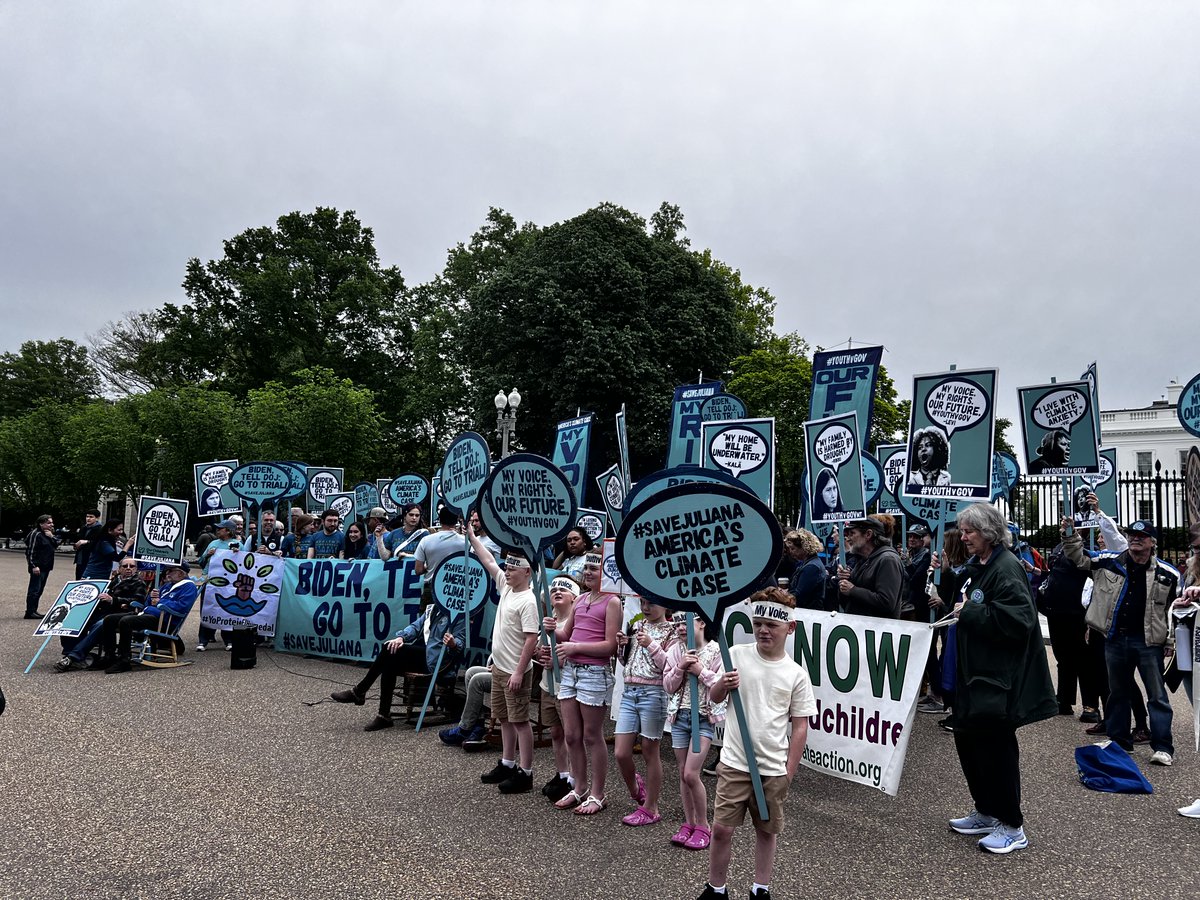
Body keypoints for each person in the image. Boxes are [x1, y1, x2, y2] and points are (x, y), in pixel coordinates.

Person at [946, 503, 1056, 855]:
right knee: (969, 742)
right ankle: (986, 809)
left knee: (995, 751)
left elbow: (1020, 621)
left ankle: (1011, 825)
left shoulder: (1006, 567)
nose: (964, 538)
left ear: (989, 531)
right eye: (963, 531)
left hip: (996, 679)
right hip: (974, 676)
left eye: (970, 532)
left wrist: (971, 611)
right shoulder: (982, 565)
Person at [697, 587, 815, 900]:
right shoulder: (736, 655)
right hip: (735, 762)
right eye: (758, 622)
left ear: (790, 628)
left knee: (767, 830)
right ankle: (716, 888)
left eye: (771, 625)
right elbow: (715, 697)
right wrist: (723, 683)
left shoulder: (795, 674)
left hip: (772, 767)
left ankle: (760, 888)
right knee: (721, 829)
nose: (763, 629)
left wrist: (789, 771)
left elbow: (800, 725)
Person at [1063, 517, 1180, 765]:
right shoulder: (1108, 562)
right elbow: (1078, 556)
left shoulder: (1168, 574)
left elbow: (1174, 611)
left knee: (1156, 695)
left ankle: (1163, 747)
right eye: (1131, 535)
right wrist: (1070, 534)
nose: (1135, 539)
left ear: (1152, 542)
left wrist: (1170, 642)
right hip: (1115, 639)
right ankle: (1119, 742)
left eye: (1141, 536)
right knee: (1117, 692)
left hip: (1149, 643)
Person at [545, 549, 622, 815]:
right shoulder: (579, 600)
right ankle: (579, 787)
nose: (589, 572)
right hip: (572, 672)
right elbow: (565, 634)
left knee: (592, 735)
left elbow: (610, 646)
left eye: (595, 568)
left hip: (594, 673)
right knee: (571, 734)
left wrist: (575, 647)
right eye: (587, 568)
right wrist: (552, 629)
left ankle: (598, 793)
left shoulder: (612, 602)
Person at [468, 522, 540, 795]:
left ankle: (527, 771)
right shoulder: (507, 587)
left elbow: (531, 639)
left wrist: (520, 672)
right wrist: (473, 537)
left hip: (515, 670)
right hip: (499, 666)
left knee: (520, 720)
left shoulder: (528, 601)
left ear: (527, 572)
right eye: (507, 567)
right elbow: (487, 561)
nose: (507, 571)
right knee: (504, 718)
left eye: (512, 568)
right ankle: (508, 763)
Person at [329, 603, 465, 731]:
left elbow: (461, 642)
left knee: (389, 652)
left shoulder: (460, 615)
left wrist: (453, 644)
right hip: (423, 657)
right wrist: (401, 638)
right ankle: (383, 715)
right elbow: (415, 627)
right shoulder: (432, 609)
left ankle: (360, 692)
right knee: (390, 651)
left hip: (438, 664)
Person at [664, 612, 725, 851]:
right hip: (679, 717)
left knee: (691, 773)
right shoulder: (676, 650)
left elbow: (720, 685)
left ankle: (703, 825)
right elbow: (668, 685)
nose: (680, 627)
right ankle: (688, 823)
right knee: (682, 772)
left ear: (701, 623)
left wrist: (700, 671)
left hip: (703, 718)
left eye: (685, 622)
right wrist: (680, 668)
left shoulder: (716, 651)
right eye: (677, 622)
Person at [614, 596, 675, 827]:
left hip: (653, 693)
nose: (646, 608)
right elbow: (625, 661)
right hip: (630, 692)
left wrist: (650, 643)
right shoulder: (637, 626)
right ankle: (636, 790)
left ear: (665, 605)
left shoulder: (670, 631)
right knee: (621, 752)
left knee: (650, 750)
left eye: (652, 603)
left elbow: (668, 666)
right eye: (643, 604)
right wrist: (622, 646)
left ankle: (651, 806)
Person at [531, 574, 584, 802]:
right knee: (555, 731)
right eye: (554, 590)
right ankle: (562, 772)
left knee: (571, 733)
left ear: (574, 597)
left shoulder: (575, 622)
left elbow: (577, 653)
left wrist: (558, 659)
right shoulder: (549, 620)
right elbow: (538, 647)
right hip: (547, 683)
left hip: (566, 687)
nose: (557, 593)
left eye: (564, 590)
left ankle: (574, 776)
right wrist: (539, 652)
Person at [103, 561, 199, 673]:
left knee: (126, 621)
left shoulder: (188, 587)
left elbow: (182, 607)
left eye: (171, 571)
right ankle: (109, 656)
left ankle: (124, 660)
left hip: (164, 621)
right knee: (110, 619)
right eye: (167, 571)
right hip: (148, 614)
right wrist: (151, 597)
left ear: (181, 573)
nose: (167, 573)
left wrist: (160, 602)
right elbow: (148, 604)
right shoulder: (167, 585)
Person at [55, 558, 148, 670]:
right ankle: (72, 653)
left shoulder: (138, 582)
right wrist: (84, 585)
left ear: (136, 569)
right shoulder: (113, 580)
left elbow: (138, 601)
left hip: (120, 614)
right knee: (73, 619)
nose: (128, 568)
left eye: (132, 566)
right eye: (125, 566)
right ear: (119, 569)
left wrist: (114, 600)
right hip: (101, 610)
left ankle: (73, 657)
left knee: (101, 624)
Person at [836, 516, 903, 618]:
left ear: (868, 534)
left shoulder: (888, 559)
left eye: (852, 533)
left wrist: (853, 590)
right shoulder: (864, 560)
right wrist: (845, 580)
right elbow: (846, 601)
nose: (848, 538)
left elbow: (886, 602)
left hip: (878, 630)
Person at [196, 519, 241, 651]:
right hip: (210, 581)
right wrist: (207, 555)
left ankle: (228, 639)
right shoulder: (213, 543)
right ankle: (203, 640)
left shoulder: (238, 544)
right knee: (207, 609)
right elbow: (200, 561)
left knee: (227, 610)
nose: (218, 530)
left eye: (221, 528)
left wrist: (237, 555)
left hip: (229, 584)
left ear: (228, 531)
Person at [413, 507, 462, 608]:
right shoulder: (465, 543)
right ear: (456, 520)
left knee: (428, 621)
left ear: (439, 520)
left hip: (431, 588)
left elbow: (418, 570)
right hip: (456, 588)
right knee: (454, 621)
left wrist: (430, 566)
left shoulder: (426, 541)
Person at [24, 514, 59, 620]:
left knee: (40, 589)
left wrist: (51, 536)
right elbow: (30, 551)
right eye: (48, 523)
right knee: (34, 589)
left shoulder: (47, 534)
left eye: (52, 522)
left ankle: (34, 610)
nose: (51, 525)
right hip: (38, 566)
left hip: (46, 566)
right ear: (41, 523)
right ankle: (30, 611)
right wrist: (33, 566)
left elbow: (56, 545)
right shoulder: (36, 534)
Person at [783, 529, 826, 611]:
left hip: (810, 612)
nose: (791, 552)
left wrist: (782, 595)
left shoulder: (812, 567)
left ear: (804, 547)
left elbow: (799, 595)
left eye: (793, 548)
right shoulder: (811, 563)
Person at [903, 523, 932, 623]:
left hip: (919, 604)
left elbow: (915, 581)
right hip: (907, 602)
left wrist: (908, 563)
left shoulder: (927, 556)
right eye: (910, 536)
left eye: (915, 537)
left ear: (922, 539)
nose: (911, 539)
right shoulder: (909, 554)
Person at [72, 509, 103, 579]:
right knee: (78, 577)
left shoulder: (100, 529)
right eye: (87, 517)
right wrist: (76, 545)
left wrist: (87, 542)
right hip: (80, 557)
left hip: (91, 558)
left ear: (97, 518)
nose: (88, 519)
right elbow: (78, 539)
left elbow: (99, 543)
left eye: (91, 517)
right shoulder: (84, 528)